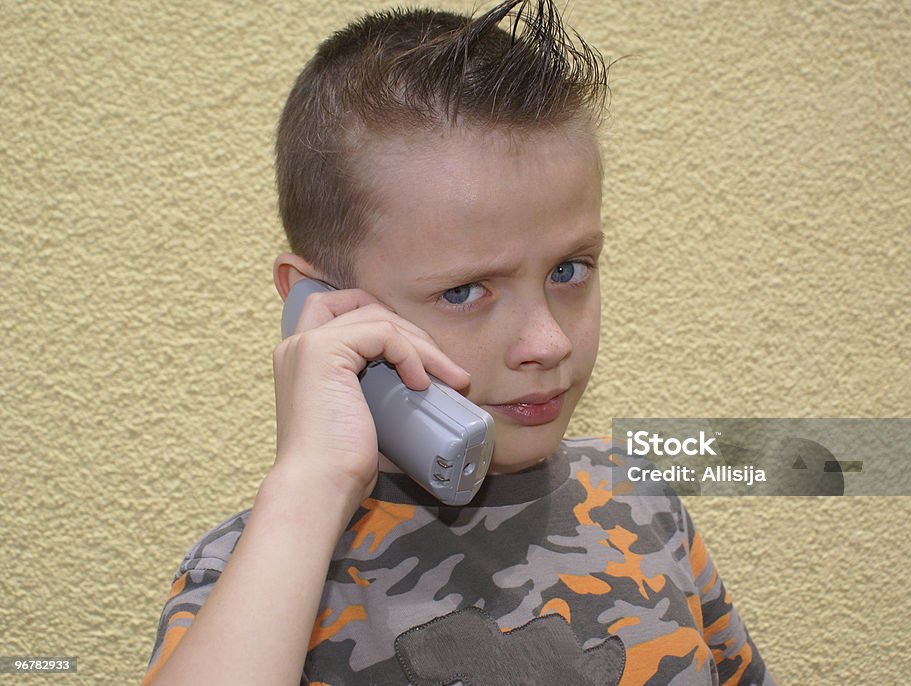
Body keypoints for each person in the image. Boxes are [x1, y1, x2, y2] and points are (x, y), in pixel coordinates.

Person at [143, 1, 775, 683]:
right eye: (464, 290)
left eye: (569, 271)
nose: (546, 342)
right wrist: (308, 491)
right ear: (317, 308)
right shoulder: (258, 572)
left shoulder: (643, 501)